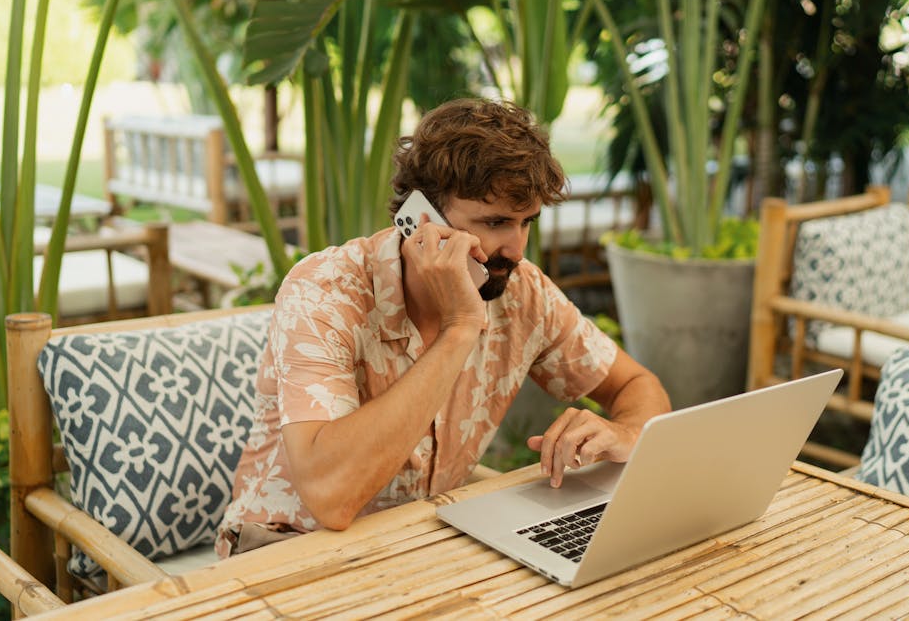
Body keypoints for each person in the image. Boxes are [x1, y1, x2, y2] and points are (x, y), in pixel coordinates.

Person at [216, 98, 670, 557]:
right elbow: (330, 500)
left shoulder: (522, 291)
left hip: (416, 542)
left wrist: (629, 432)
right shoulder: (325, 292)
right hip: (284, 548)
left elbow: (636, 385)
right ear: (421, 219)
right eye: (495, 223)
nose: (514, 249)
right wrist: (460, 327)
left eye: (525, 222)